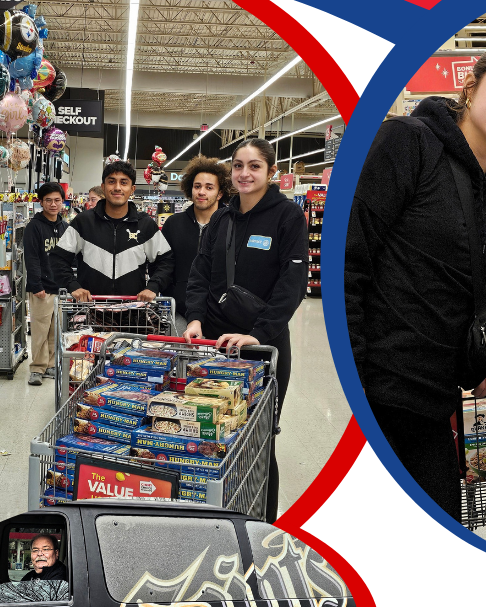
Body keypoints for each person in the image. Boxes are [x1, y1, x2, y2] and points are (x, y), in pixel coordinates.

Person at [345, 43, 486, 521]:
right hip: (381, 387)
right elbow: (350, 259)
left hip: (436, 395)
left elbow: (466, 278)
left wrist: (475, 357)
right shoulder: (408, 141)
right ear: (470, 86)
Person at [183, 138, 308, 523]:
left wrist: (259, 333)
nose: (244, 173)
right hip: (215, 345)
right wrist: (194, 318)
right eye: (238, 165)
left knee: (257, 440)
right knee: (210, 433)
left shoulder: (288, 217)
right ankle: (213, 517)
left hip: (261, 349)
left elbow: (293, 281)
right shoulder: (222, 217)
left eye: (254, 166)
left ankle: (259, 522)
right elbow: (200, 272)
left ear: (272, 172)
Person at [51, 160, 173, 303]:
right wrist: (73, 285)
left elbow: (166, 260)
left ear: (132, 189)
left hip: (132, 316)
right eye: (111, 181)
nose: (117, 187)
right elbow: (57, 259)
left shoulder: (145, 225)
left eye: (123, 182)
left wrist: (153, 286)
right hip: (89, 311)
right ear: (103, 187)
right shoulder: (83, 222)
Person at [163, 155, 232, 328]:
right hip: (179, 312)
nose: (201, 192)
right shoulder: (173, 224)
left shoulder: (231, 226)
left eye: (209, 187)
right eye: (197, 186)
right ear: (190, 189)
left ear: (220, 193)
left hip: (221, 315)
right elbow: (163, 264)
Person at [23, 182, 70, 387]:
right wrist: (36, 284)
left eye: (57, 200)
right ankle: (37, 368)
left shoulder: (66, 227)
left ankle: (51, 364)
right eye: (48, 200)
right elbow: (31, 258)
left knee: (56, 329)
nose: (53, 204)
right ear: (41, 202)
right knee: (40, 329)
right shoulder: (34, 227)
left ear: (62, 202)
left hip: (61, 287)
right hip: (41, 287)